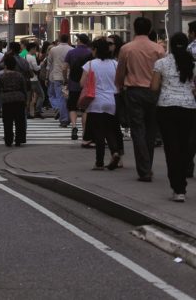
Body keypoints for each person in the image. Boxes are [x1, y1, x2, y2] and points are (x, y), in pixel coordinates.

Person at [116, 17, 164, 182]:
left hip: (134, 91)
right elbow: (162, 74)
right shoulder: (158, 49)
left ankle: (144, 169)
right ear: (150, 29)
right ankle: (147, 166)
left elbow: (121, 72)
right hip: (153, 92)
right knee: (151, 129)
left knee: (138, 129)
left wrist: (119, 86)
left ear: (134, 29)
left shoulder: (126, 49)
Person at [152, 33, 196, 201]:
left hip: (166, 107)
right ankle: (182, 182)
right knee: (184, 146)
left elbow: (154, 87)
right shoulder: (192, 64)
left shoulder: (161, 63)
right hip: (188, 107)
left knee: (171, 147)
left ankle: (178, 189)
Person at [81, 38, 123, 171]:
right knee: (110, 129)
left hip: (95, 101)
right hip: (111, 100)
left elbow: (82, 83)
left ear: (96, 50)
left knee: (98, 132)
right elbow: (120, 82)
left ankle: (99, 162)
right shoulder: (115, 64)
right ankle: (115, 152)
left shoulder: (90, 64)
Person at [0, 45, 29, 147]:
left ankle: (8, 139)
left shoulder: (2, 76)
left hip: (7, 99)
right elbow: (24, 88)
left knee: (7, 121)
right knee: (19, 120)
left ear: (5, 65)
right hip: (19, 98)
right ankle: (19, 139)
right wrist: (25, 99)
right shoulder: (20, 75)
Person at [65, 34, 93, 141]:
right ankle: (85, 131)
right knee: (85, 109)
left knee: (72, 107)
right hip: (87, 84)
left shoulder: (71, 52)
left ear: (79, 41)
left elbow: (65, 67)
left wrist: (66, 79)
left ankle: (74, 126)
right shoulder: (90, 53)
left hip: (73, 83)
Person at [45, 33, 73, 126]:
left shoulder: (53, 49)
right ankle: (68, 117)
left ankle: (64, 119)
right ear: (68, 39)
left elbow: (49, 65)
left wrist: (46, 77)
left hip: (57, 76)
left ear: (60, 39)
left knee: (60, 98)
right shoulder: (71, 49)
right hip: (69, 76)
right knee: (68, 98)